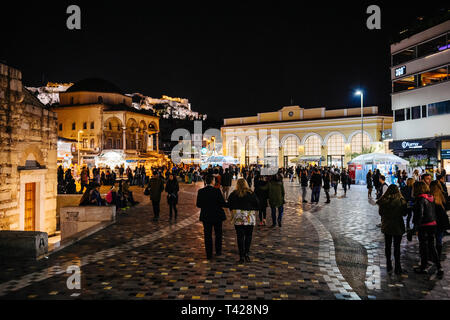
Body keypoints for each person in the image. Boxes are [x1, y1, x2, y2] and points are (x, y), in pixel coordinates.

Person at [412, 181, 443, 278]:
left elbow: (420, 215)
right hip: (432, 224)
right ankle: (439, 267)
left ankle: (423, 267)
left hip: (424, 225)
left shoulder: (420, 199)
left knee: (423, 247)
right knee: (431, 246)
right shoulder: (430, 197)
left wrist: (416, 228)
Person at [376, 184, 407, 274]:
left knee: (388, 245)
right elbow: (404, 213)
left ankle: (389, 264)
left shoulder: (383, 200)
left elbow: (381, 213)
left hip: (387, 225)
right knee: (397, 247)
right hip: (398, 225)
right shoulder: (401, 200)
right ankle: (398, 266)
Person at [227, 178, 259, 263]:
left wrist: (233, 209)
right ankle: (247, 254)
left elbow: (229, 204)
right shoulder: (251, 193)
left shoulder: (234, 194)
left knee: (240, 237)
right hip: (249, 217)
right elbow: (257, 204)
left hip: (238, 217)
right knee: (248, 236)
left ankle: (241, 255)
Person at [196, 175, 227, 260]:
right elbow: (222, 203)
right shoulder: (217, 191)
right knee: (218, 234)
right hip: (217, 215)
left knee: (207, 235)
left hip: (206, 216)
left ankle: (209, 254)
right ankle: (218, 251)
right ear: (212, 181)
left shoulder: (201, 191)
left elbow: (198, 204)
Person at [430, 181, 450, 263]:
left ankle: (433, 257)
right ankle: (438, 255)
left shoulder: (430, 195)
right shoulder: (442, 194)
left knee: (431, 239)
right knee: (439, 239)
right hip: (441, 220)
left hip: (433, 220)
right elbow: (446, 206)